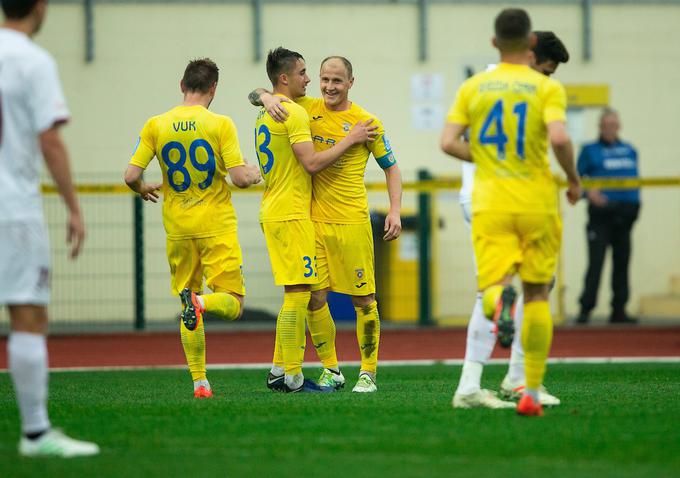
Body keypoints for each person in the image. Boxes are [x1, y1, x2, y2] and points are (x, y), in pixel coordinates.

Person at [441, 8, 581, 417]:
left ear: (494, 42)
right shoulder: (540, 88)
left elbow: (449, 141)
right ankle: (526, 388)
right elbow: (558, 136)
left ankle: (481, 375)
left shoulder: (476, 86)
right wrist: (574, 178)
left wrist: (486, 157)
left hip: (485, 199)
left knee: (494, 290)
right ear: (532, 44)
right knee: (539, 290)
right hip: (532, 198)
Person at [251, 56, 403, 393]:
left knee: (364, 301)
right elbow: (267, 90)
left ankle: (368, 373)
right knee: (314, 298)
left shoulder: (367, 122)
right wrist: (265, 95)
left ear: (351, 82)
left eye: (337, 81)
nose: (329, 87)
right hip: (313, 221)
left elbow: (391, 168)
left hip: (351, 222)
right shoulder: (307, 108)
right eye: (323, 79)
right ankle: (331, 369)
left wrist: (394, 210)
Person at [125, 58, 262, 399]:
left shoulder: (157, 124)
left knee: (187, 303)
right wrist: (258, 172)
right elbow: (241, 179)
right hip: (215, 225)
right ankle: (199, 301)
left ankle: (200, 383)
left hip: (178, 228)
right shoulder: (219, 124)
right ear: (214, 88)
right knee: (232, 302)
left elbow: (130, 176)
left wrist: (142, 189)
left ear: (181, 84)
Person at [0, 0, 99, 457]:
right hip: (12, 207)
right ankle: (36, 432)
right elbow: (50, 139)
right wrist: (74, 207)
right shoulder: (32, 60)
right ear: (39, 7)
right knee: (28, 315)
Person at [576, 108, 640, 324]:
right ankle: (585, 310)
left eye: (613, 125)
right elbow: (575, 178)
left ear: (618, 127)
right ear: (600, 127)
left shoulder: (630, 150)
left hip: (625, 217)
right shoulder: (589, 151)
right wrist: (588, 193)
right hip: (601, 217)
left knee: (622, 263)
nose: (609, 129)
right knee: (596, 263)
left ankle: (619, 309)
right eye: (606, 125)